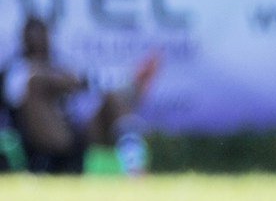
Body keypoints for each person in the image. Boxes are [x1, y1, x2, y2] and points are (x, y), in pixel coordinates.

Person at [4, 17, 159, 174]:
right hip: (43, 140)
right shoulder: (15, 70)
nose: (37, 39)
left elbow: (81, 83)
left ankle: (135, 169)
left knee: (113, 98)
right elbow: (25, 90)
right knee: (36, 82)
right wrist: (66, 81)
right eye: (32, 34)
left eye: (42, 33)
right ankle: (128, 81)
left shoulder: (60, 65)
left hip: (75, 135)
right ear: (23, 38)